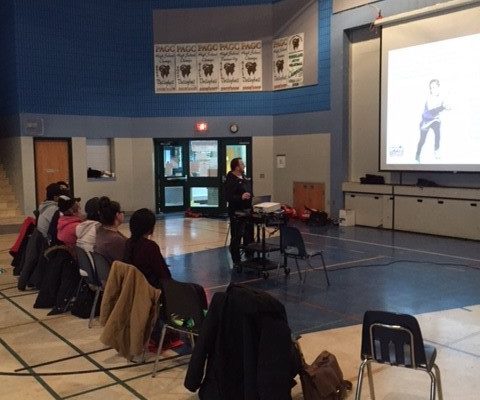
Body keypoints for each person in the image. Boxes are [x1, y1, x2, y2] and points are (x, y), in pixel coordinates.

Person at [123, 208, 171, 289]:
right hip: (148, 288)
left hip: (132, 286)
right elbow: (164, 275)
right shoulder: (150, 246)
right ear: (150, 228)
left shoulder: (128, 242)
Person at [224, 157, 254, 268]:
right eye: (242, 164)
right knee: (237, 235)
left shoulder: (245, 178)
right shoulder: (231, 179)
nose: (244, 165)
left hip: (247, 210)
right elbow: (228, 197)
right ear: (236, 167)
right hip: (236, 211)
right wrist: (240, 197)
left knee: (249, 234)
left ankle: (249, 254)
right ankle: (236, 259)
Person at [415, 79, 448, 162]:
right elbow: (432, 111)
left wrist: (447, 107)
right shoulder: (429, 98)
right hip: (426, 121)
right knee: (422, 140)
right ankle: (417, 155)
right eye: (431, 88)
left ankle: (436, 150)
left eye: (434, 87)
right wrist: (443, 107)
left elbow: (443, 107)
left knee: (438, 134)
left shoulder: (441, 97)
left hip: (435, 120)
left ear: (438, 87)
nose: (432, 89)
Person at [94, 197, 126, 265]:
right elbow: (126, 264)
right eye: (122, 212)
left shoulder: (100, 230)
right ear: (117, 215)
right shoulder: (115, 239)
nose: (123, 214)